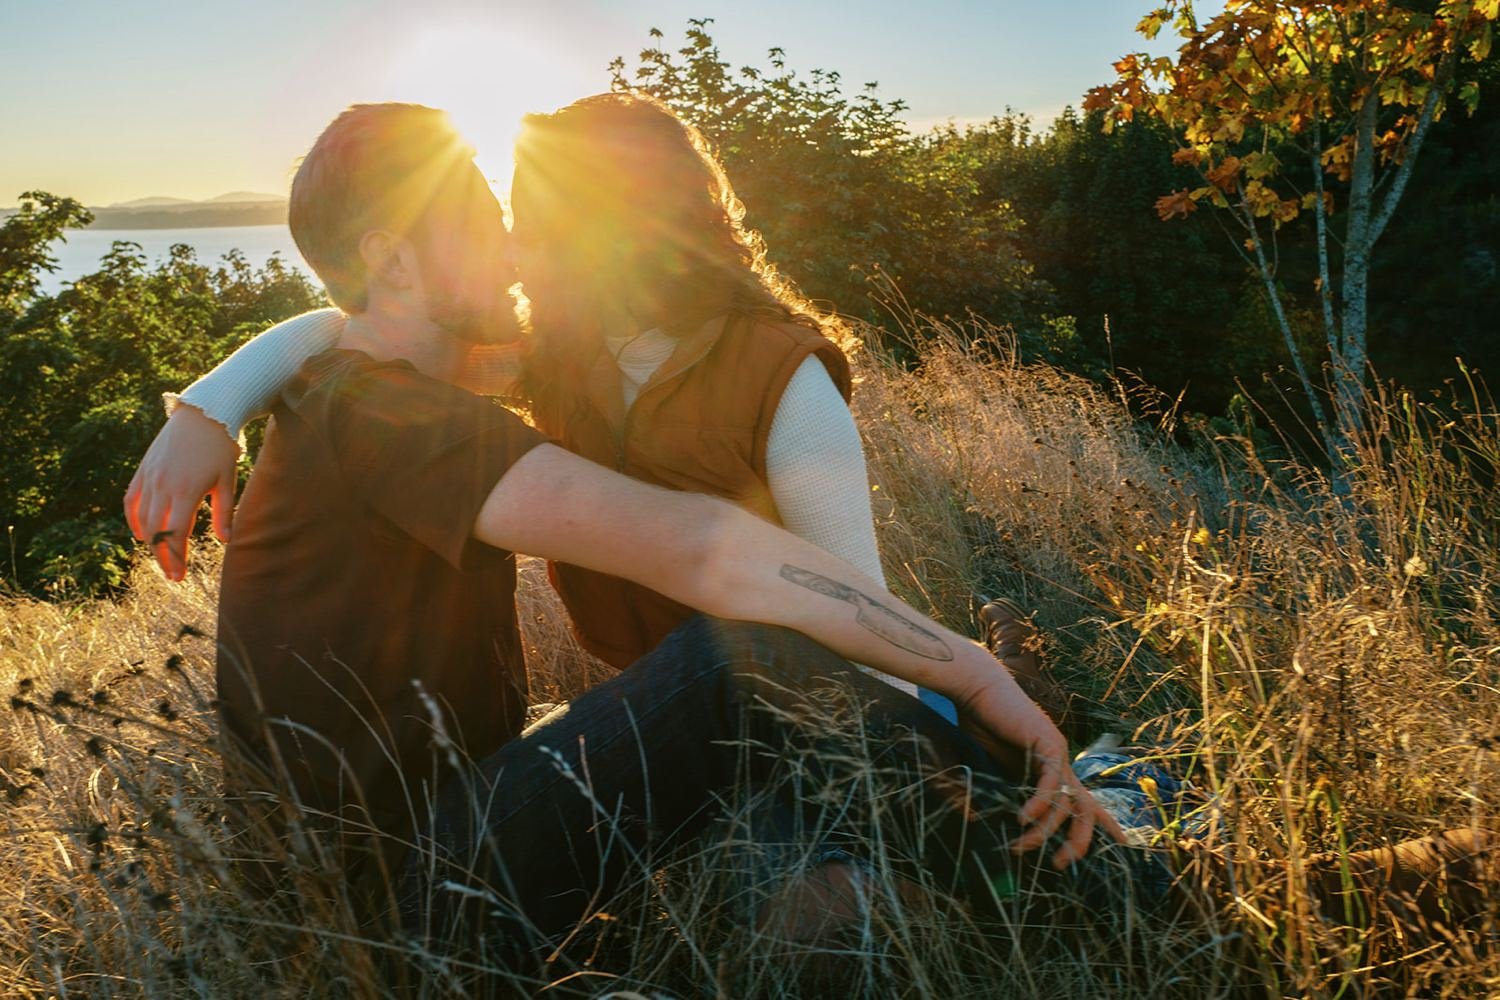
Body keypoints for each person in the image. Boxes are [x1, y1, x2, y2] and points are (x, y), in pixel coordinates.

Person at [122, 102, 1116, 956]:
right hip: (407, 903)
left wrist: (212, 403)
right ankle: (1129, 900)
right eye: (477, 215)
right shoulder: (386, 413)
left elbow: (337, 326)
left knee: (758, 703)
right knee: (745, 653)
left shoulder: (367, 387)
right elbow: (703, 549)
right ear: (392, 256)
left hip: (394, 874)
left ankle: (1067, 840)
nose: (510, 245)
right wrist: (970, 673)